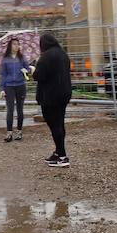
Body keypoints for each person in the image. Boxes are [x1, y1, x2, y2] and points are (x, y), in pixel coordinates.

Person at [33, 33, 72, 168]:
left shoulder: (46, 57)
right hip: (64, 94)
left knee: (54, 125)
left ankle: (62, 157)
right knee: (60, 123)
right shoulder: (63, 54)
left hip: (50, 96)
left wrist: (33, 69)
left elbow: (39, 76)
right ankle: (58, 152)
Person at [0, 38, 34, 142]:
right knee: (10, 109)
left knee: (20, 109)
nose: (16, 46)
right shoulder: (5, 59)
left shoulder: (22, 58)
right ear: (10, 46)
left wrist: (27, 70)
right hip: (9, 87)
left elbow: (28, 70)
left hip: (20, 86)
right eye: (14, 44)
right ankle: (9, 133)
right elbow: (3, 75)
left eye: (18, 44)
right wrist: (2, 88)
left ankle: (19, 131)